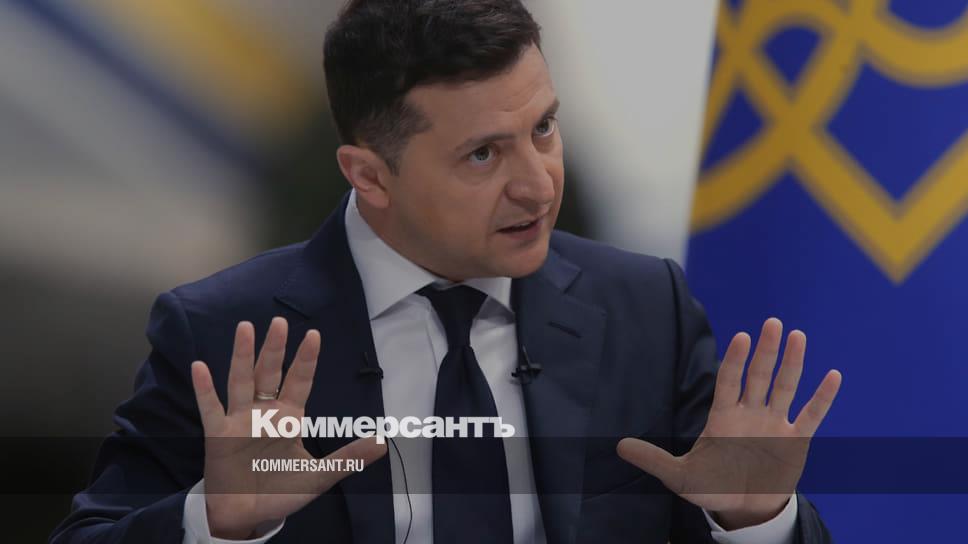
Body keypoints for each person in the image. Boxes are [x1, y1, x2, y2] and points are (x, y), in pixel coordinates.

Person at [50, 1, 842, 542]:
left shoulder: (645, 310)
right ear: (369, 175)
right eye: (484, 154)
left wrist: (753, 521)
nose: (538, 185)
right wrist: (213, 524)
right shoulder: (227, 332)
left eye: (544, 128)